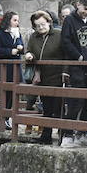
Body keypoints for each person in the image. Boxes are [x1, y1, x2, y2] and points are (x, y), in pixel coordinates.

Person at [60, 0, 87, 147]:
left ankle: (82, 133)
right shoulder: (69, 20)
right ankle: (67, 135)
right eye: (85, 9)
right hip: (77, 65)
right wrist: (78, 56)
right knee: (76, 100)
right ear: (78, 5)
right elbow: (65, 41)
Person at [24, 10, 65, 145]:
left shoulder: (58, 34)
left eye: (43, 24)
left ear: (49, 22)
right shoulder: (34, 37)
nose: (41, 27)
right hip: (42, 76)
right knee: (46, 108)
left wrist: (65, 72)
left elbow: (66, 53)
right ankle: (46, 136)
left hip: (57, 76)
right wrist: (29, 55)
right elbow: (30, 50)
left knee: (58, 108)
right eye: (37, 25)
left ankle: (63, 135)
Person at [0, 11, 25, 128]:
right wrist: (10, 51)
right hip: (4, 68)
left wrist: (20, 47)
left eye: (17, 20)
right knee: (4, 93)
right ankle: (3, 118)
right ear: (8, 20)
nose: (17, 22)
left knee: (12, 93)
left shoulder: (17, 33)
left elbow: (22, 49)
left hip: (15, 68)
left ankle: (6, 118)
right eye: (14, 20)